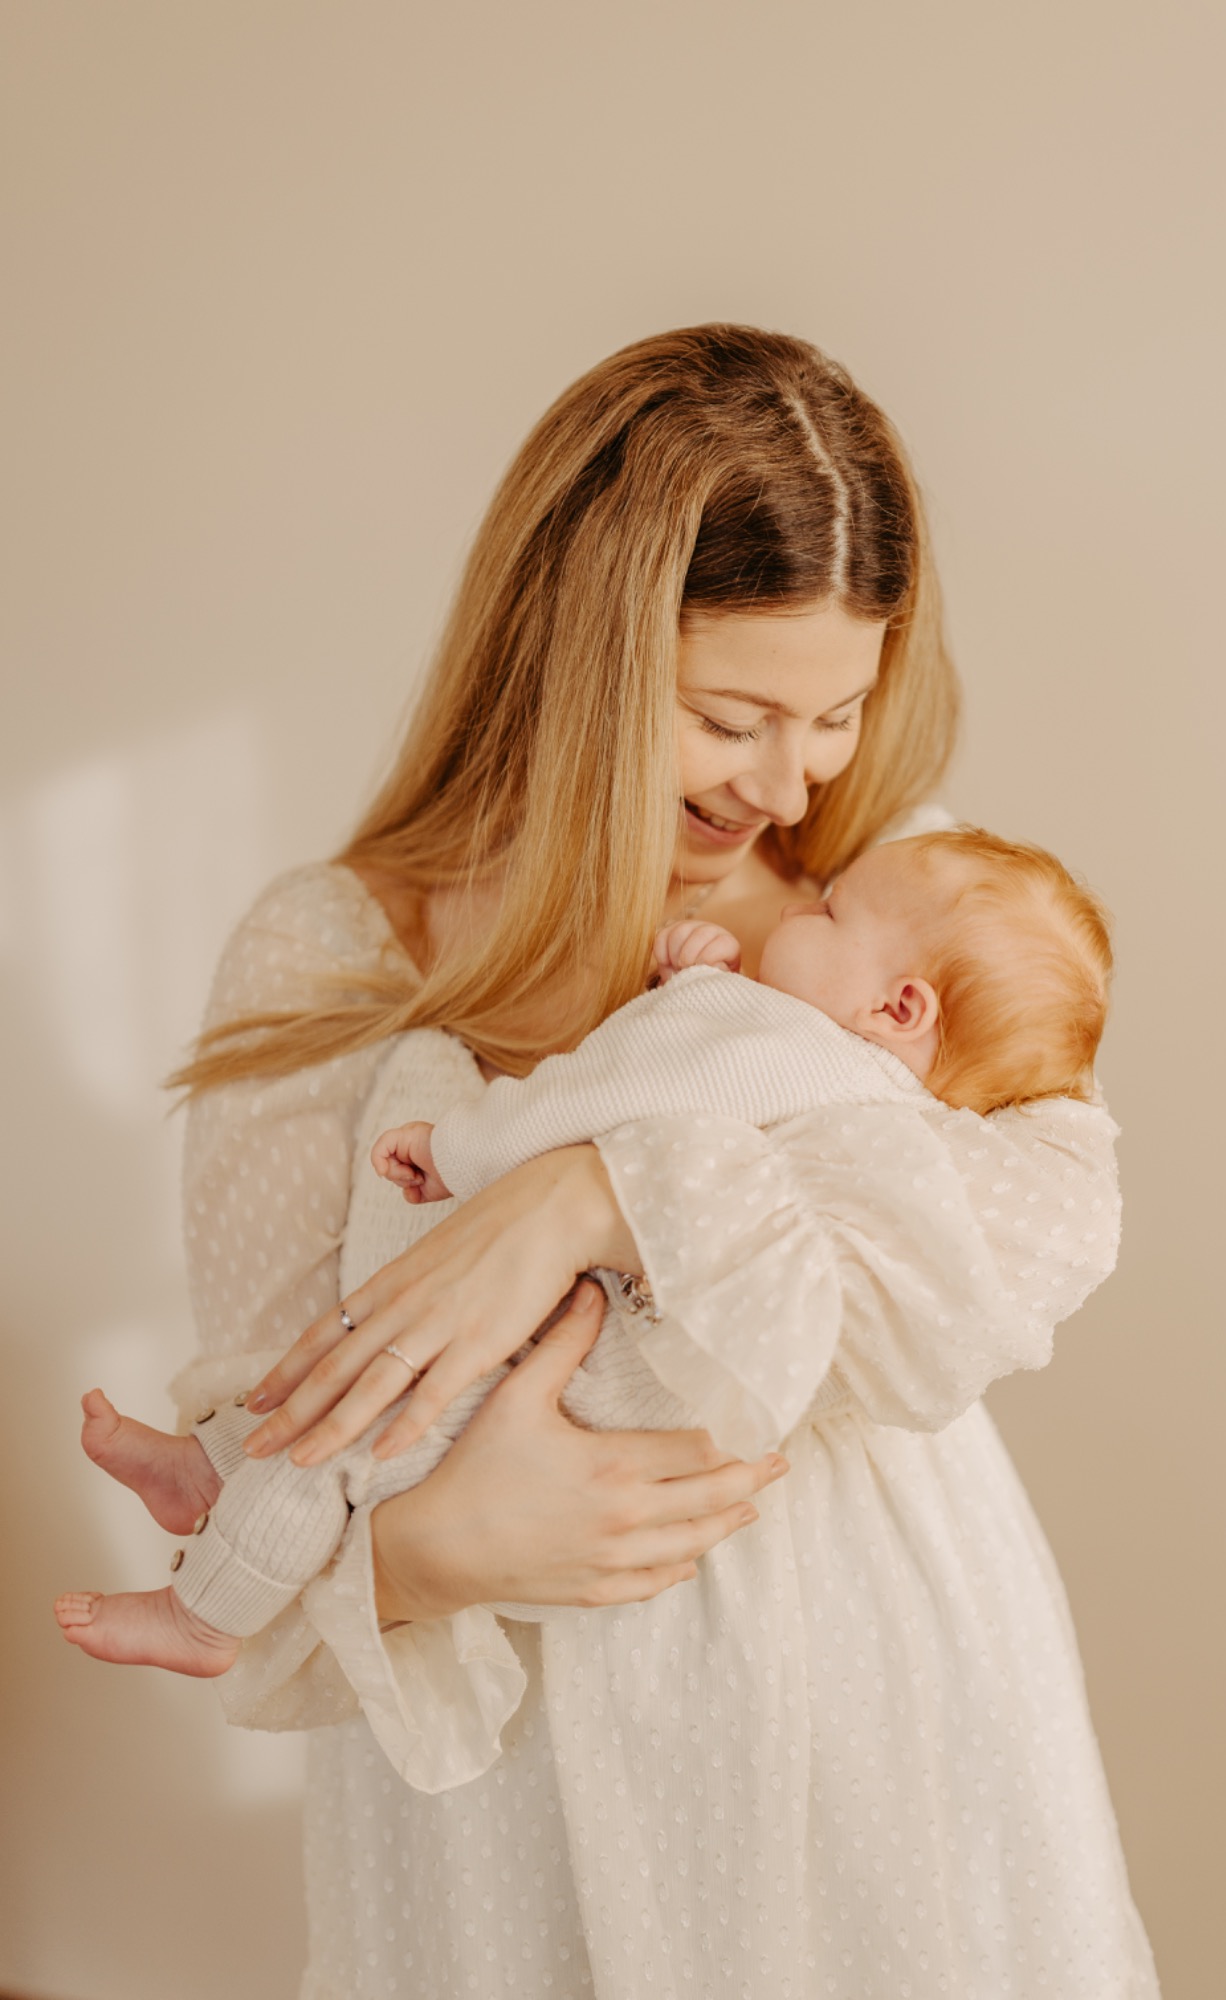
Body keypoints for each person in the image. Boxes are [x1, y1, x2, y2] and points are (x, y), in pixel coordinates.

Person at [60, 325, 1159, 1994]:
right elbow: (288, 1461)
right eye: (732, 717)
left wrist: (593, 1194)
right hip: (511, 1799)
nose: (791, 780)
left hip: (896, 1729)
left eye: (837, 712)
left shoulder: (896, 901)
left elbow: (1011, 1257)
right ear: (580, 663)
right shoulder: (337, 958)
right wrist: (436, 1552)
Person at [55, 826, 1116, 1682]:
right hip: (647, 1414)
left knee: (350, 1439)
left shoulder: (794, 1047)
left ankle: (204, 1615)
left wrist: (462, 1150)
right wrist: (693, 983)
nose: (801, 897)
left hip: (589, 1386)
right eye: (733, 720)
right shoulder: (880, 1094)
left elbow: (611, 1094)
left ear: (896, 1005)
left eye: (828, 912)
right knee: (359, 1395)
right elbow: (698, 1085)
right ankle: (205, 1469)